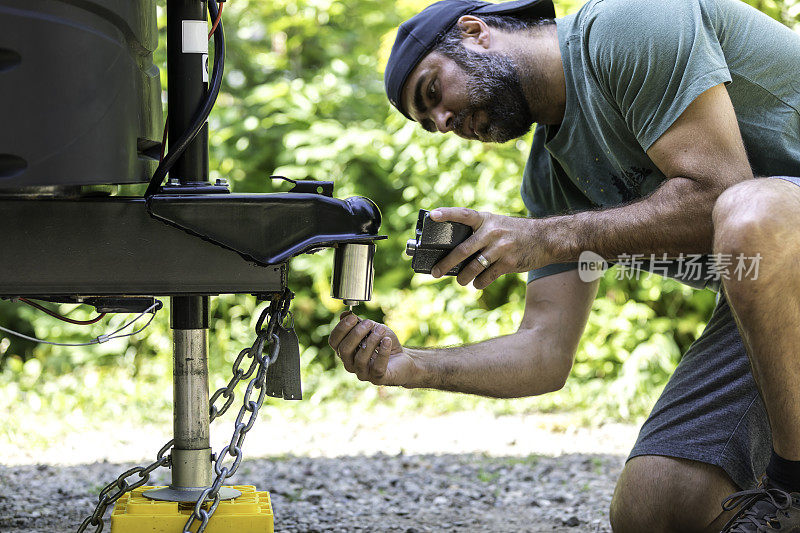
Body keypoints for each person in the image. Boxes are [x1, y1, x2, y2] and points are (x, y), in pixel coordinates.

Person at [327, 0, 800, 530]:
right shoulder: (551, 180)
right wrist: (413, 365)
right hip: (779, 307)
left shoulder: (631, 24)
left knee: (751, 213)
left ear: (475, 31)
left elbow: (721, 190)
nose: (442, 121)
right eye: (430, 124)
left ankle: (794, 486)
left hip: (779, 243)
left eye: (434, 92)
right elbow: (545, 352)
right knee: (655, 510)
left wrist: (547, 239)